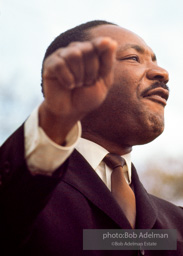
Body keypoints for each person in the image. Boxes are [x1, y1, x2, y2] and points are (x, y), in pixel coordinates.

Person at [0, 20, 183, 256]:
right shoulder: (21, 193)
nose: (162, 73)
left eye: (155, 60)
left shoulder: (177, 222)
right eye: (133, 58)